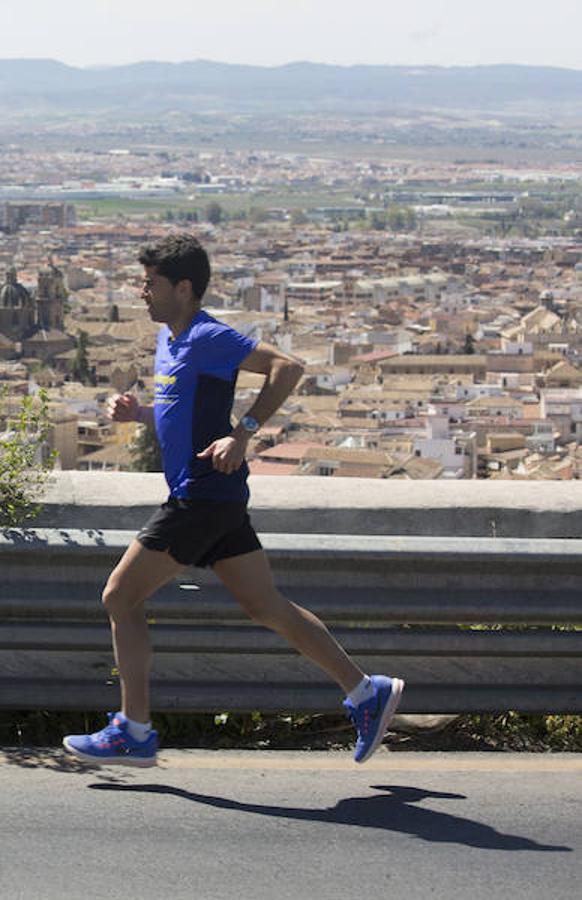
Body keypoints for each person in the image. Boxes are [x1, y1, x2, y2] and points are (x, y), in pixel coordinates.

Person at [62, 233, 403, 767]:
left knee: (118, 597)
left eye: (150, 283)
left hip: (201, 494)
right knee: (266, 606)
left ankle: (134, 730)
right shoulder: (170, 340)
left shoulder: (206, 335)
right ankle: (366, 691)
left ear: (183, 287)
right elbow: (183, 409)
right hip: (216, 496)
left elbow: (288, 367)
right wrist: (140, 415)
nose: (141, 292)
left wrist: (244, 431)